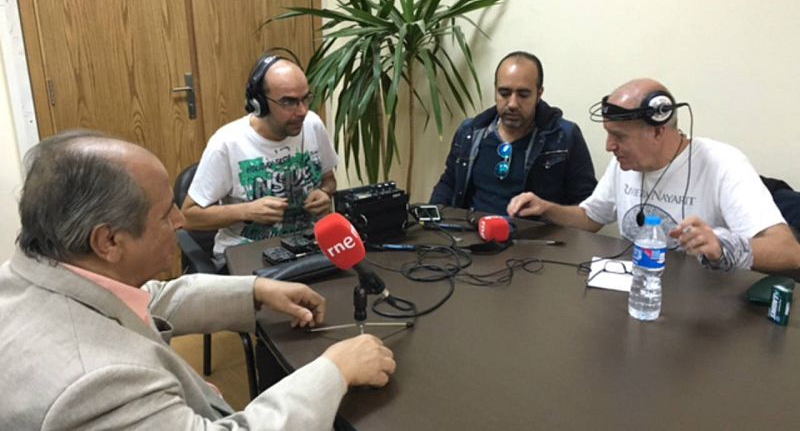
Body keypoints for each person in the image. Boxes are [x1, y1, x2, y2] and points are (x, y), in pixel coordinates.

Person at [0, 130, 396, 429]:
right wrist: (334, 370)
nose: (180, 221)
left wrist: (255, 289)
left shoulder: (34, 278)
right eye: (166, 214)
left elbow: (146, 301)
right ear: (108, 241)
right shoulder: (94, 385)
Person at [507, 78, 800, 272]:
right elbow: (590, 218)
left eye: (619, 136)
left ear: (659, 129)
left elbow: (788, 251)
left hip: (703, 315)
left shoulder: (723, 164)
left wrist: (726, 246)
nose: (610, 147)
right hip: (637, 294)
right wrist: (547, 208)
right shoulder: (627, 163)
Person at [182, 53, 338, 262]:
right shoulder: (227, 143)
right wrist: (246, 211)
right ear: (259, 103)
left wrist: (324, 193)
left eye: (305, 99)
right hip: (247, 254)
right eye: (288, 102)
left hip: (307, 247)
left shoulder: (312, 125)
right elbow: (188, 217)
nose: (302, 111)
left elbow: (329, 180)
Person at [429, 51, 597, 215]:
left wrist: (548, 210)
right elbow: (449, 183)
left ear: (539, 94)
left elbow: (589, 211)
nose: (512, 103)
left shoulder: (564, 137)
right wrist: (432, 221)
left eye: (523, 95)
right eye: (504, 93)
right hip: (472, 235)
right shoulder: (470, 132)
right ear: (495, 91)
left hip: (536, 239)